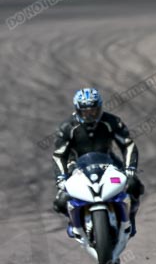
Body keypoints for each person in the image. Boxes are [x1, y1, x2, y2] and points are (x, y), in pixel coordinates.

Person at [51, 88, 144, 236]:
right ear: (77, 110)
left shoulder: (112, 122)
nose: (90, 115)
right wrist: (61, 179)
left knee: (134, 185)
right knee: (61, 201)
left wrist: (129, 169)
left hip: (109, 160)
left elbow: (128, 145)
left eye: (94, 111)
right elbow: (59, 155)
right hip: (76, 165)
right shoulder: (67, 127)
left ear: (100, 108)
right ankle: (73, 221)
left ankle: (130, 218)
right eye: (85, 112)